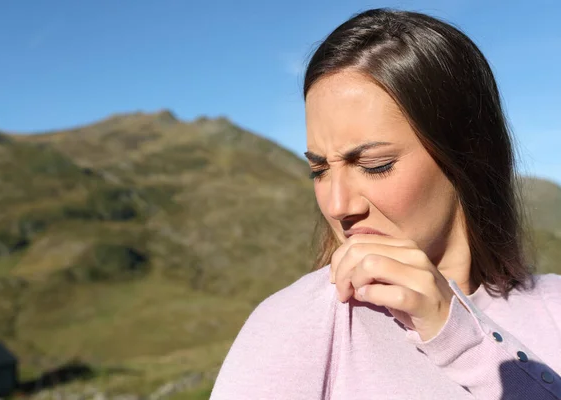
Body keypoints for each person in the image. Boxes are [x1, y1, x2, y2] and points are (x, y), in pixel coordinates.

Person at [210, 8, 561, 400]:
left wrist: (458, 336)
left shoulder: (554, 307)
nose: (338, 205)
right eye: (320, 169)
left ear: (469, 153)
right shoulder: (293, 325)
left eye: (375, 165)